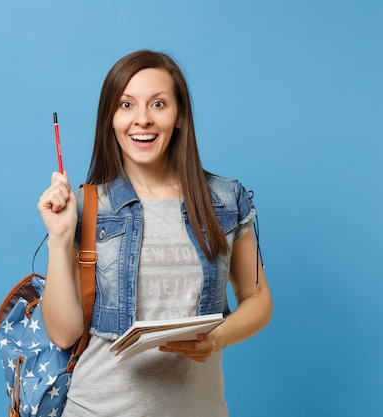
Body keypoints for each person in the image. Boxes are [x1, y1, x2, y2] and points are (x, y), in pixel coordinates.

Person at [37, 50, 272, 417]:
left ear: (179, 116)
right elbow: (64, 335)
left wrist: (216, 338)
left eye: (158, 104)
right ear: (110, 119)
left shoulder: (227, 200)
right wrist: (60, 237)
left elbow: (258, 297)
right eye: (126, 105)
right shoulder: (85, 206)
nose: (142, 120)